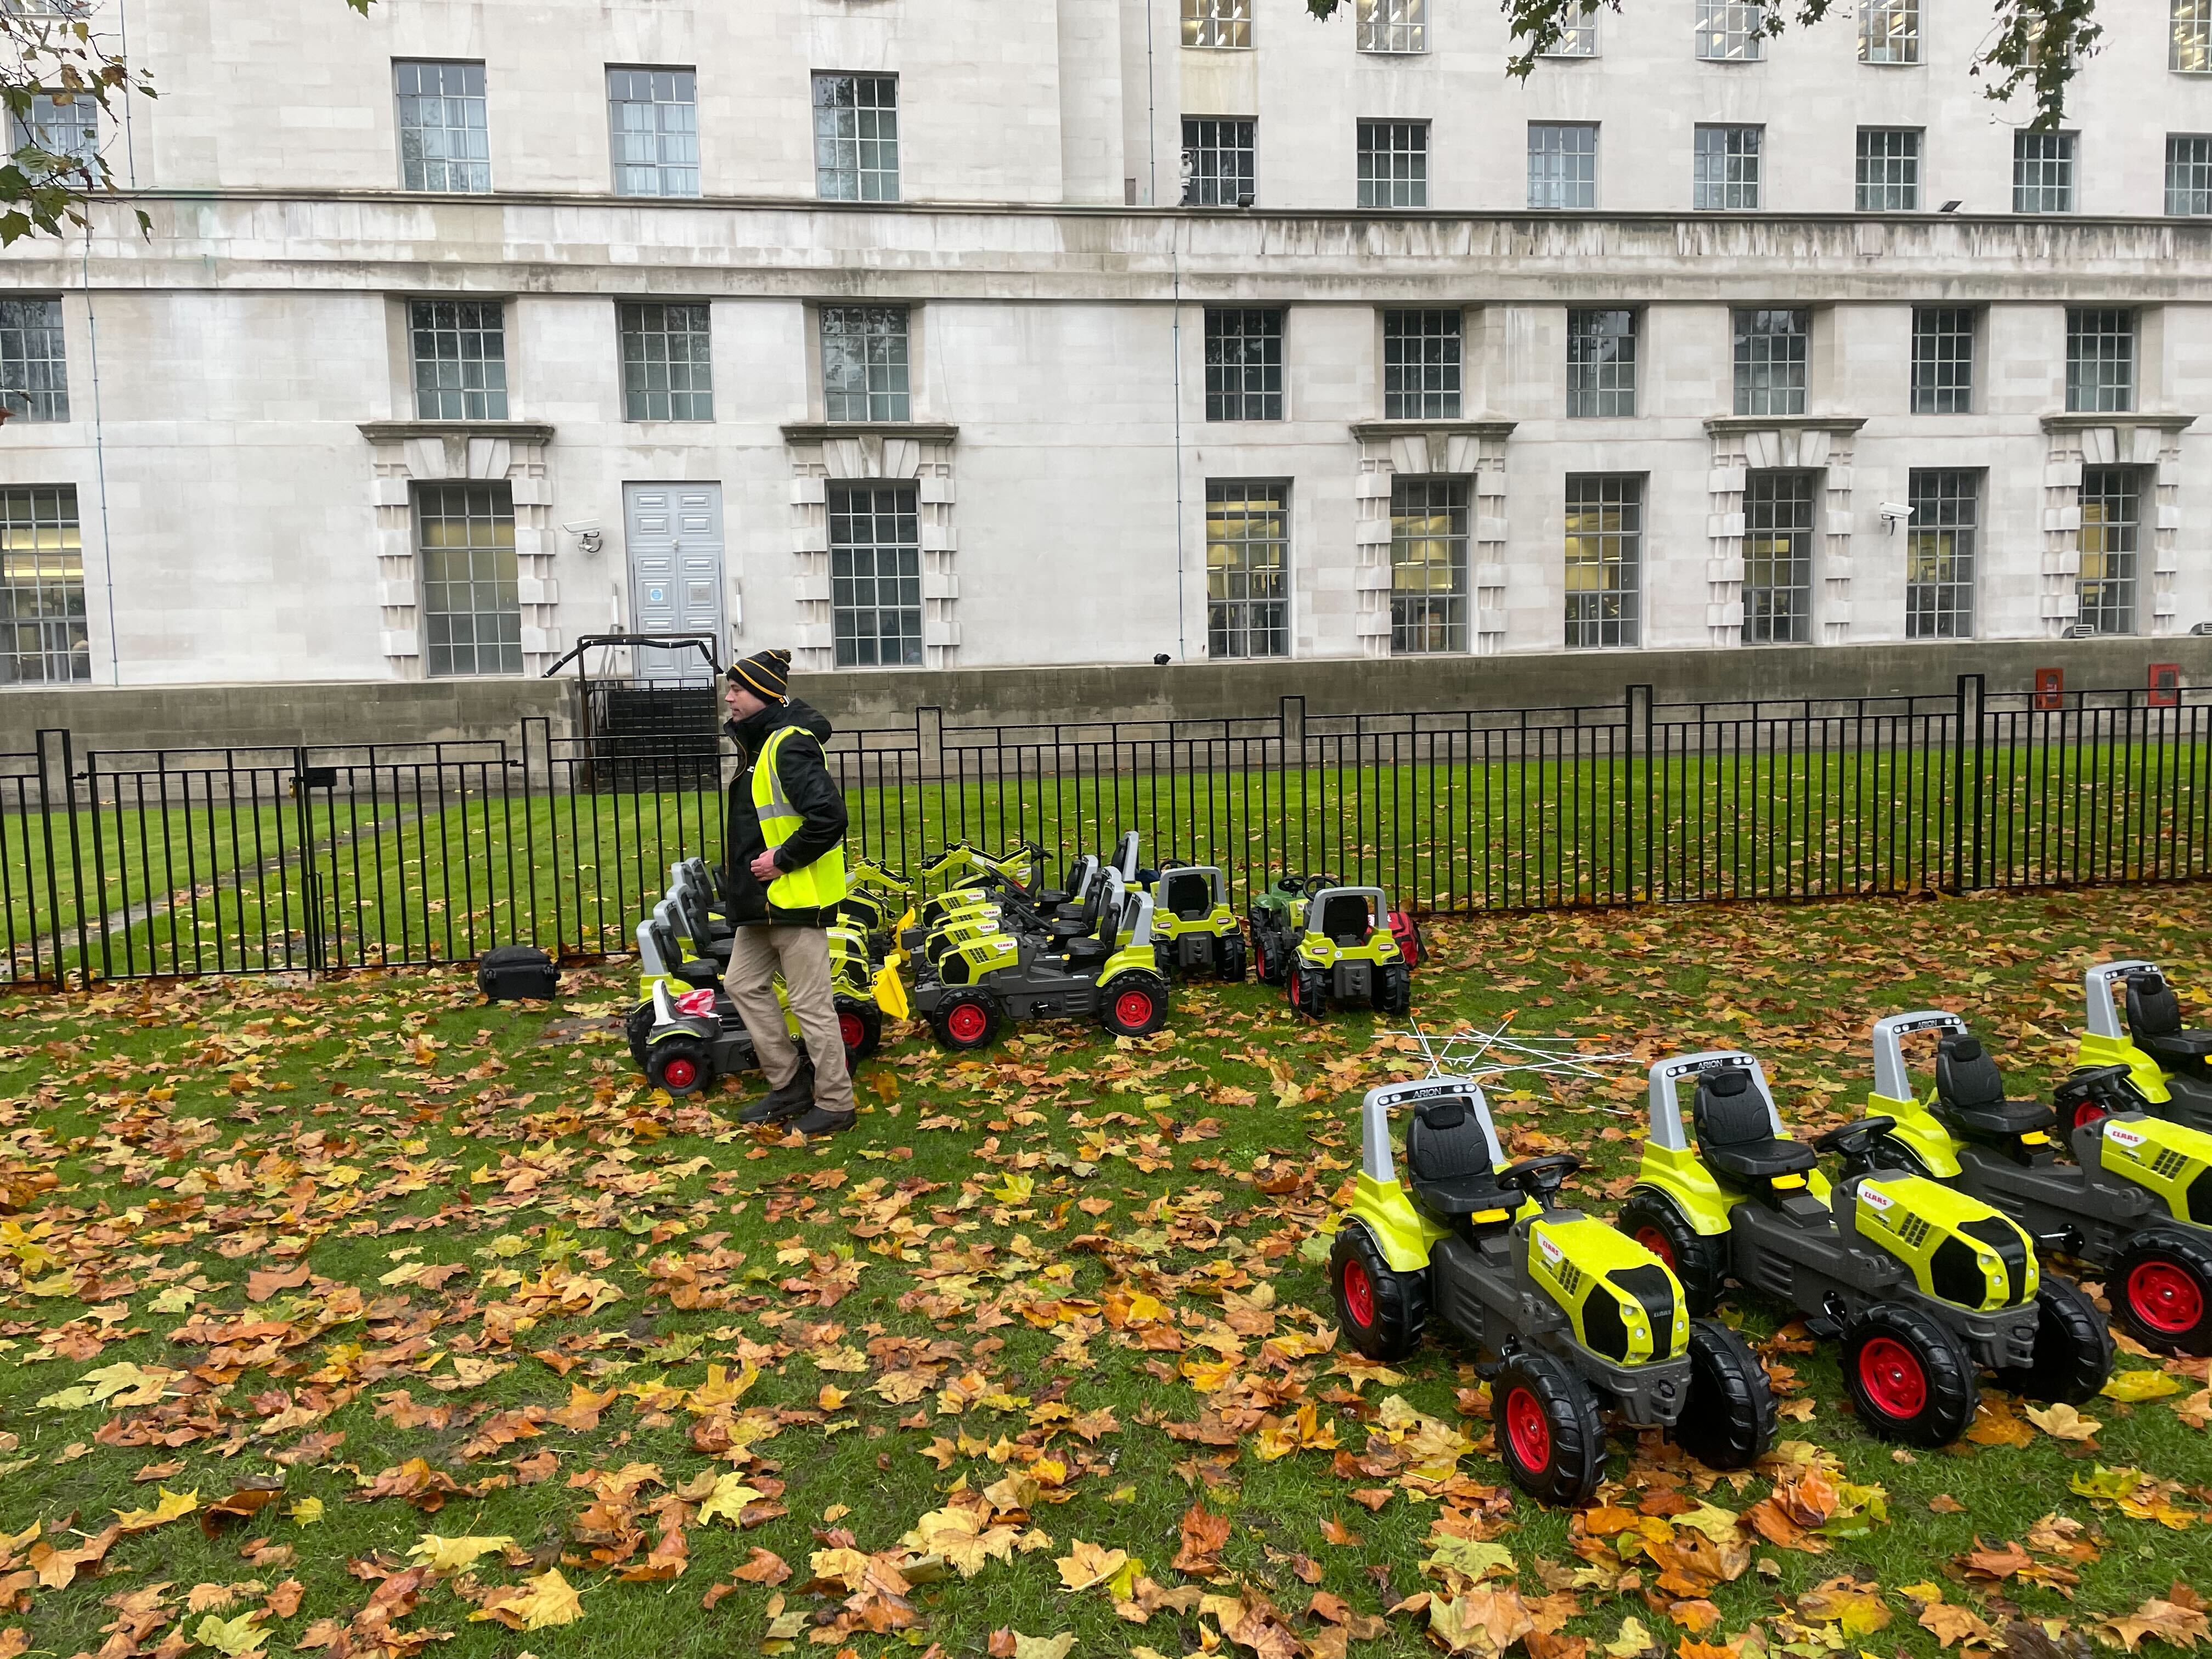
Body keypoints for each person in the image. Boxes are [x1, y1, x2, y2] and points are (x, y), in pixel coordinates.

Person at [718, 648, 857, 1137]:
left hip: (794, 902)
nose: (729, 697)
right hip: (763, 906)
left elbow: (830, 818)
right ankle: (789, 1085)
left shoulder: (787, 745)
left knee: (810, 1004)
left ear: (764, 695)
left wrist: (782, 859)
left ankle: (836, 1101)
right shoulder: (760, 745)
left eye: (737, 689)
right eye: (729, 689)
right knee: (741, 983)